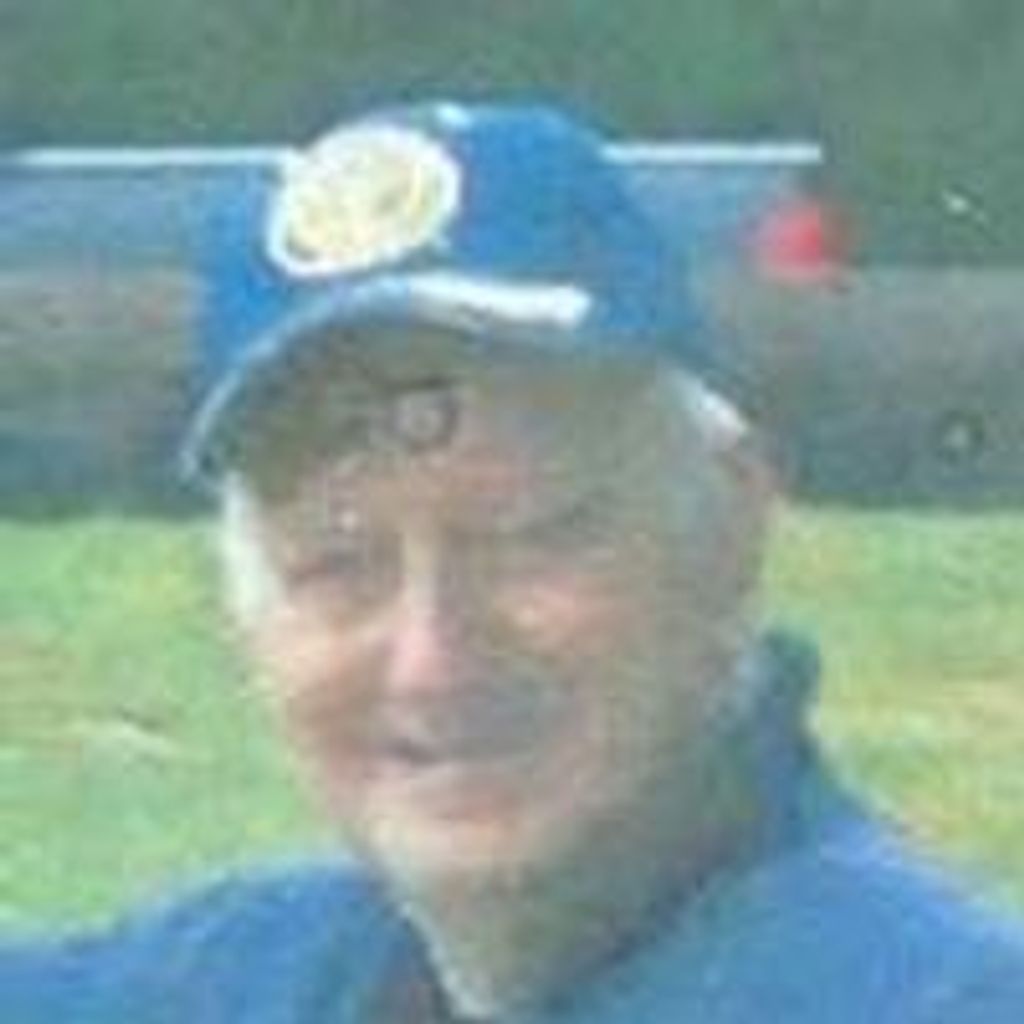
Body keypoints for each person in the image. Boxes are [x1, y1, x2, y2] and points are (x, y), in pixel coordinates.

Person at [4, 100, 1024, 1023]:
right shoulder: (258, 976)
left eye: (530, 535)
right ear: (250, 616)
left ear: (728, 528)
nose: (431, 657)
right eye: (337, 564)